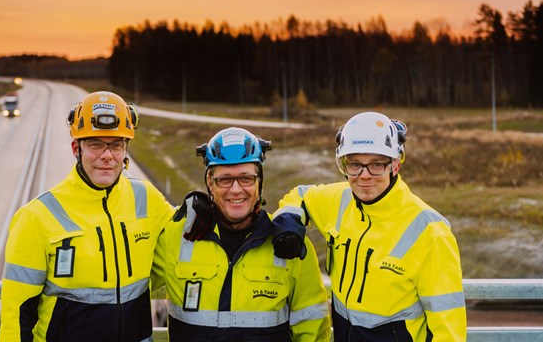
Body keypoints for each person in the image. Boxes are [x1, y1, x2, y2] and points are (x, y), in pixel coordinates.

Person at [272, 112, 467, 341]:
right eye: (354, 164)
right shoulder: (339, 200)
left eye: (376, 164)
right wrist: (288, 223)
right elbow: (299, 196)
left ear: (395, 164)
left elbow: (449, 331)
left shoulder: (430, 232)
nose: (364, 176)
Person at [0, 91, 177, 342]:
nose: (107, 155)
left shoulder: (147, 199)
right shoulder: (35, 217)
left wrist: (205, 211)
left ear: (126, 150)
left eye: (116, 144)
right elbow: (16, 318)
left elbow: (187, 244)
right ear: (76, 148)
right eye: (95, 144)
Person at [152, 127, 331, 342]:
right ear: (210, 183)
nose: (236, 190)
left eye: (246, 178)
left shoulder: (290, 245)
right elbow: (124, 281)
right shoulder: (176, 236)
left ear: (259, 182)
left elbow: (312, 330)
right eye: (225, 179)